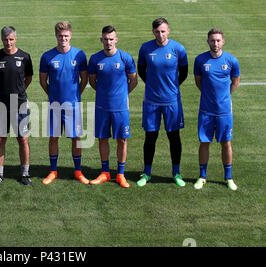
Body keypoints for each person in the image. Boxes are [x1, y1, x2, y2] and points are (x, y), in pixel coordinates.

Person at [136, 18, 188, 187]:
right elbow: (141, 70)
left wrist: (171, 87)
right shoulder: (145, 48)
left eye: (163, 31)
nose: (161, 34)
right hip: (151, 101)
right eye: (157, 31)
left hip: (172, 101)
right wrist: (153, 85)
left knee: (174, 137)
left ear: (169, 30)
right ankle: (147, 173)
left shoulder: (178, 48)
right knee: (150, 136)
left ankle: (176, 173)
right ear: (153, 32)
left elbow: (184, 72)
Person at [88, 25, 138, 188]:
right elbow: (92, 81)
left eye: (111, 39)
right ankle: (105, 172)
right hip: (102, 107)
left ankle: (120, 174)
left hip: (120, 108)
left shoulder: (125, 58)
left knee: (122, 140)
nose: (108, 42)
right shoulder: (95, 59)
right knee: (103, 138)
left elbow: (134, 80)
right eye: (106, 39)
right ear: (101, 40)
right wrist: (105, 94)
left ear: (116, 39)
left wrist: (122, 94)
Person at [39, 21, 89, 185]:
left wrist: (75, 95)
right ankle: (53, 171)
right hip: (54, 105)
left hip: (73, 105)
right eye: (60, 36)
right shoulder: (47, 56)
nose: (63, 38)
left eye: (66, 35)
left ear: (70, 35)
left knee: (76, 138)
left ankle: (78, 171)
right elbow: (43, 81)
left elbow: (84, 78)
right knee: (53, 137)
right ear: (56, 36)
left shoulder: (79, 54)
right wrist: (53, 95)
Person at [193, 29, 240, 191]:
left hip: (224, 111)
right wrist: (209, 96)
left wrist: (224, 97)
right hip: (206, 110)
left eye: (218, 40)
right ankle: (202, 176)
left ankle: (228, 177)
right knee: (204, 142)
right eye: (212, 40)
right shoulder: (200, 60)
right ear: (208, 41)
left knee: (226, 142)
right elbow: (198, 82)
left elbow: (235, 82)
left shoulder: (231, 60)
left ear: (223, 41)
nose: (215, 43)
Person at [0, 26, 34, 186]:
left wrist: (18, 92)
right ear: (1, 39)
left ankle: (25, 173)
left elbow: (28, 78)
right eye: (6, 39)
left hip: (20, 103)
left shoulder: (25, 57)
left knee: (23, 139)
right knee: (0, 139)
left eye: (11, 39)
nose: (8, 42)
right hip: (0, 103)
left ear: (16, 39)